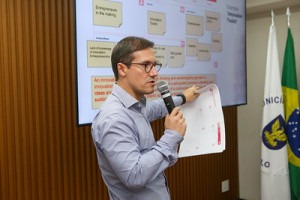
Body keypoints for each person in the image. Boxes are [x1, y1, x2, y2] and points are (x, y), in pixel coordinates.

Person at [91, 36, 200, 200]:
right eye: (145, 66)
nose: (154, 73)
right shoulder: (114, 118)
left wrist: (183, 97)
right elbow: (134, 176)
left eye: (154, 65)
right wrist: (171, 136)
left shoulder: (135, 106)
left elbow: (155, 108)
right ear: (122, 69)